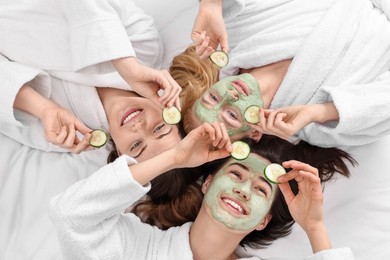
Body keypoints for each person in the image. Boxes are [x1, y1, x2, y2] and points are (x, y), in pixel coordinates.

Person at [49, 123, 354, 259]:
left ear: (263, 220)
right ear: (207, 184)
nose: (244, 190)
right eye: (236, 172)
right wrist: (174, 159)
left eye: (262, 190)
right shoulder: (139, 247)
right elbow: (70, 217)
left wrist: (315, 228)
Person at [179, 0, 390, 147]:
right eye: (231, 115)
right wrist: (318, 112)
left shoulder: (237, 28)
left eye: (213, 97)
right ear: (254, 132)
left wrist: (211, 5)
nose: (230, 96)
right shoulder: (317, 126)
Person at [0, 0, 182, 159]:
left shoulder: (61, 133)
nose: (138, 127)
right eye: (159, 129)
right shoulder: (145, 47)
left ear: (120, 153)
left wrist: (43, 108)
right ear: (172, 110)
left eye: (136, 146)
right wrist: (126, 65)